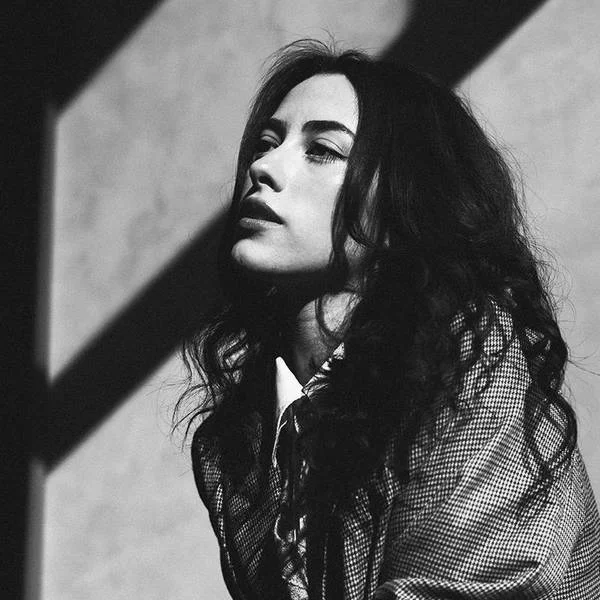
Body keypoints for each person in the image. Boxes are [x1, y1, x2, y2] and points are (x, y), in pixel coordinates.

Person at [176, 40, 600, 599]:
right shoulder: (237, 445)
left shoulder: (471, 364)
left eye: (322, 150)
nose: (262, 167)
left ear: (405, 205)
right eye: (266, 143)